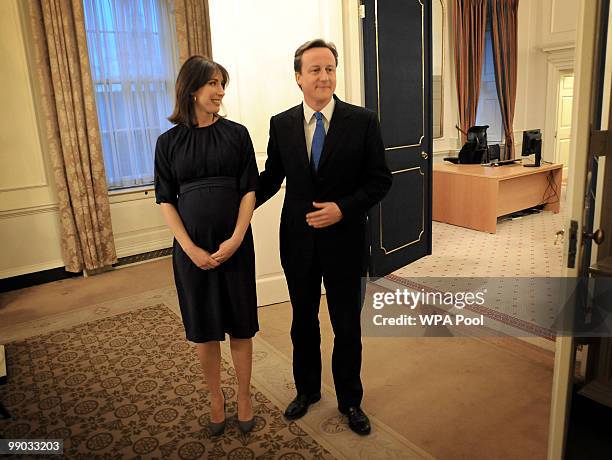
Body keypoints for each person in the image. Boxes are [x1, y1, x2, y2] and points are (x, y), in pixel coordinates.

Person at [256, 39, 392, 435]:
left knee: (347, 326)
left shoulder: (363, 120)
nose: (324, 76)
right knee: (302, 322)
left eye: (330, 68)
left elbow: (379, 181)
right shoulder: (281, 124)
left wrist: (343, 207)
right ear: (298, 77)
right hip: (297, 242)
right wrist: (234, 203)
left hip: (345, 242)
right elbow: (271, 179)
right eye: (314, 69)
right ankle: (308, 391)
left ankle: (351, 401)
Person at [154, 55, 259, 436]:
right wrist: (189, 249)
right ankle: (216, 398)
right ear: (191, 89)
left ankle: (244, 397)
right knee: (204, 328)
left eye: (222, 83)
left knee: (241, 325)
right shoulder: (168, 142)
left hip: (235, 247)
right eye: (213, 83)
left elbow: (250, 188)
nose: (220, 91)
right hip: (192, 253)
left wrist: (236, 237)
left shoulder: (237, 134)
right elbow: (166, 199)